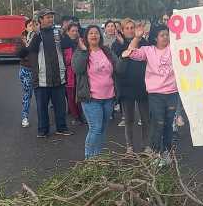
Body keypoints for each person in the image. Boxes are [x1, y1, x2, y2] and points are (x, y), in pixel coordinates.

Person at [123, 24, 178, 166]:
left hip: (172, 93)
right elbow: (130, 52)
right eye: (162, 35)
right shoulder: (148, 50)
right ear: (155, 37)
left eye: (167, 34)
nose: (165, 37)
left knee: (168, 125)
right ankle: (156, 152)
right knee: (158, 123)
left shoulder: (174, 48)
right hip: (156, 94)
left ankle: (166, 152)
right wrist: (137, 37)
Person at [23, 9, 73, 138]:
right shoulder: (34, 34)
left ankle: (61, 127)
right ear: (40, 19)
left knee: (60, 107)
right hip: (41, 78)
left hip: (58, 77)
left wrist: (66, 32)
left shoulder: (57, 33)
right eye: (48, 17)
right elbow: (29, 49)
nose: (51, 19)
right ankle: (43, 130)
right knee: (42, 108)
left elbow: (68, 44)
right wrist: (36, 33)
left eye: (52, 17)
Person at [73, 26, 118, 158]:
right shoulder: (82, 52)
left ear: (100, 36)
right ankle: (89, 159)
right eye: (91, 33)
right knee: (95, 128)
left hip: (108, 97)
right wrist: (82, 51)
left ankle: (97, 158)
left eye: (96, 33)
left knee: (102, 129)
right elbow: (77, 69)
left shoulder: (106, 51)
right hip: (91, 98)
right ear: (86, 37)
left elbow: (118, 67)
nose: (94, 35)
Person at [112, 18, 149, 152]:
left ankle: (147, 145)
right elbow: (118, 67)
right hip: (125, 87)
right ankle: (130, 146)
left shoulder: (143, 42)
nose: (129, 30)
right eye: (126, 28)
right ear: (122, 30)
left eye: (131, 27)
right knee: (129, 120)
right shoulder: (117, 45)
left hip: (143, 86)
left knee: (146, 119)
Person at [16, 20, 38, 128]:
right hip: (26, 70)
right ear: (26, 28)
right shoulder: (21, 39)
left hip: (39, 70)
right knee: (27, 94)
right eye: (30, 25)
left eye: (34, 25)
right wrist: (27, 43)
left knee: (41, 94)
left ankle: (43, 118)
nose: (32, 27)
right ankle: (25, 116)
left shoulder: (40, 37)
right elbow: (19, 54)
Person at [61, 23, 84, 125]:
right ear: (67, 32)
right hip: (69, 74)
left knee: (80, 96)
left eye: (76, 31)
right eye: (73, 31)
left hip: (80, 74)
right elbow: (66, 60)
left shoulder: (80, 42)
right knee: (71, 96)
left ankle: (80, 115)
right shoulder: (64, 43)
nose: (75, 33)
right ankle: (76, 116)